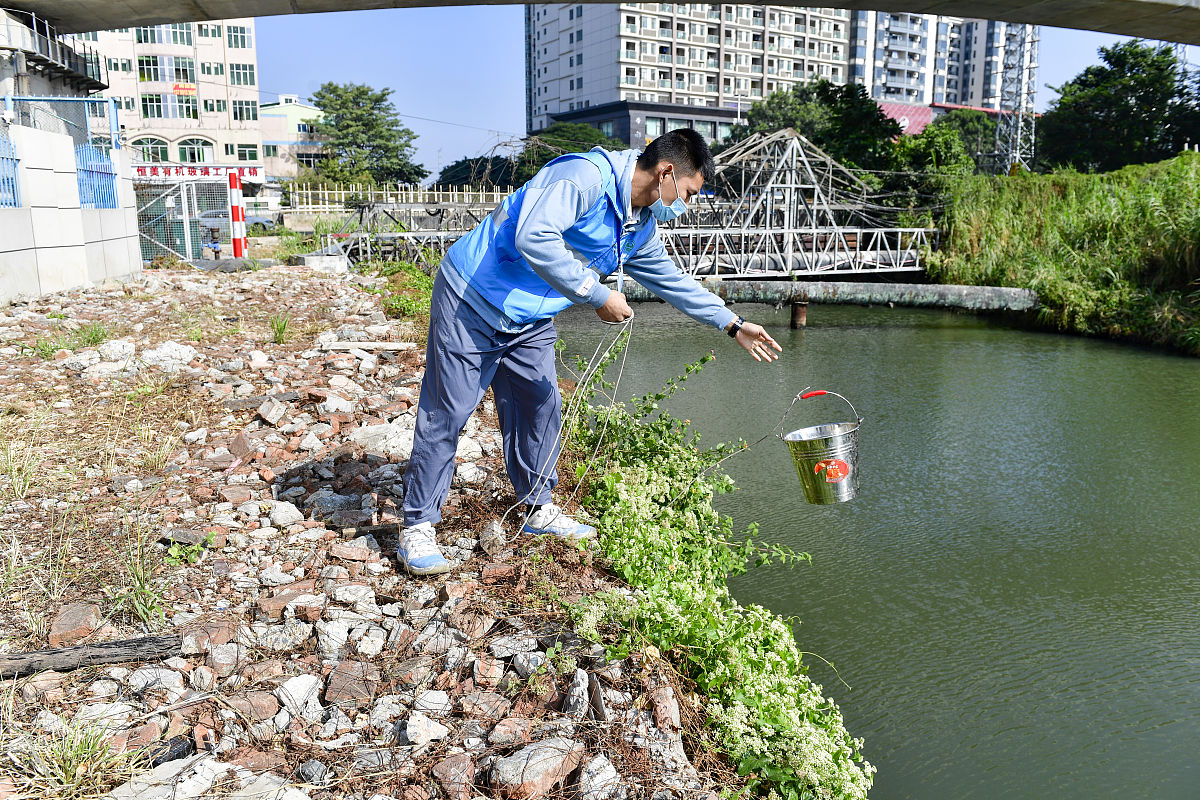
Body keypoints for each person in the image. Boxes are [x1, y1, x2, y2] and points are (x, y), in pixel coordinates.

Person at [398, 129, 781, 576]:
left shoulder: (639, 225)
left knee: (541, 405)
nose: (687, 204)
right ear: (667, 173)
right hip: (473, 297)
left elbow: (673, 282)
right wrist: (597, 294)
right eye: (690, 193)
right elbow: (533, 236)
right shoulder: (584, 177)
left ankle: (537, 507)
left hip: (530, 316)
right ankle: (417, 525)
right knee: (448, 411)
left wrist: (731, 323)